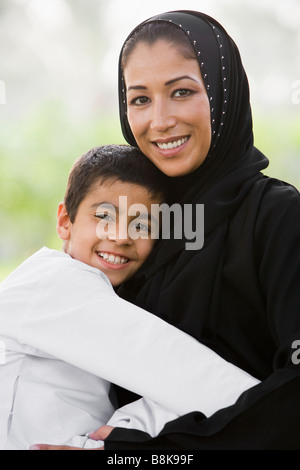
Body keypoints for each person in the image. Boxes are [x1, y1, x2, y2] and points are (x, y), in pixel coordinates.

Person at [95, 10, 299, 450]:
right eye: (140, 99)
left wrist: (155, 451)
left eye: (182, 92)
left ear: (224, 95)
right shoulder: (129, 224)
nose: (160, 120)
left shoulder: (277, 217)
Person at [0, 144, 260, 450]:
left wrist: (118, 438)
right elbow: (196, 377)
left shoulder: (102, 299)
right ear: (65, 221)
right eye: (105, 216)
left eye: (141, 225)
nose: (122, 236)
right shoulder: (54, 283)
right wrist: (275, 415)